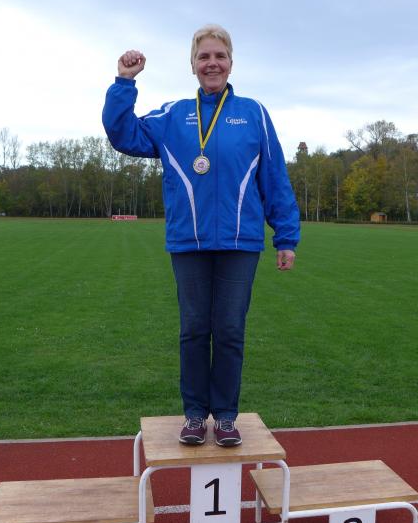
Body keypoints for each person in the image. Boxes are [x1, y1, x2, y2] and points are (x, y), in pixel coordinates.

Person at [102, 24, 300, 447]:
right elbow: (123, 135)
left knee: (229, 330)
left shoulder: (254, 114)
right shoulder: (172, 115)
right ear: (192, 65)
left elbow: (274, 177)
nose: (212, 63)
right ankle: (194, 414)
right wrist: (124, 82)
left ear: (231, 63)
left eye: (219, 56)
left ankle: (225, 416)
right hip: (188, 242)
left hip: (239, 243)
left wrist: (286, 236)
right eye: (204, 57)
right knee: (193, 329)